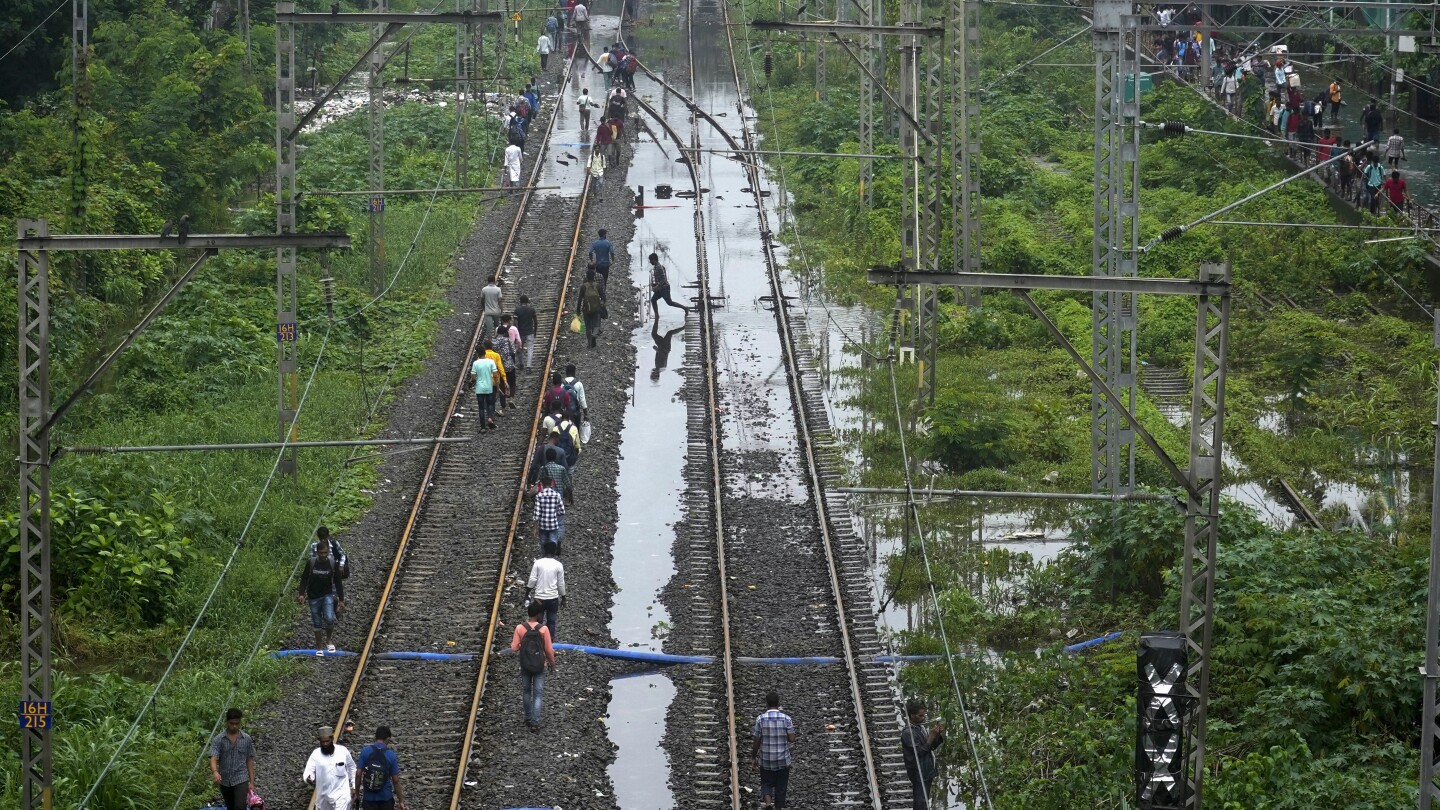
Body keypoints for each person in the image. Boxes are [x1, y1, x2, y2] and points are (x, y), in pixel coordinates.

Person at [511, 601, 557, 729]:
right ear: (538, 615)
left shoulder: (520, 628)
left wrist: (522, 646)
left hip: (525, 664)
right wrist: (552, 663)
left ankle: (527, 717)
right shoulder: (543, 629)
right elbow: (548, 649)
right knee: (538, 693)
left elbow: (514, 648)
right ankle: (535, 722)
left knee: (526, 691)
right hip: (539, 665)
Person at [298, 537, 345, 653]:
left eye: (325, 553)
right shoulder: (312, 563)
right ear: (317, 552)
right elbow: (304, 578)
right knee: (317, 622)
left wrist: (341, 599)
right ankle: (319, 647)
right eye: (321, 553)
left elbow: (338, 582)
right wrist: (301, 593)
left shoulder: (332, 563)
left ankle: (329, 640)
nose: (323, 555)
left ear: (328, 552)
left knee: (329, 618)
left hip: (327, 595)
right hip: (313, 596)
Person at [751, 691, 796, 809]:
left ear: (766, 704)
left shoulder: (760, 719)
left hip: (766, 759)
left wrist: (753, 757)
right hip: (782, 760)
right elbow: (792, 739)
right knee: (781, 787)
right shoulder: (786, 718)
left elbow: (756, 740)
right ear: (778, 703)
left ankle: (768, 803)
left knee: (766, 783)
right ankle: (778, 807)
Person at [900, 699, 944, 810]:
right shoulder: (908, 733)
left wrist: (937, 735)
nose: (923, 718)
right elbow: (919, 752)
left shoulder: (920, 728)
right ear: (912, 716)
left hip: (926, 770)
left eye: (924, 715)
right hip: (918, 771)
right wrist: (931, 737)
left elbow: (931, 747)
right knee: (921, 801)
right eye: (920, 716)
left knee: (924, 799)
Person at [303, 725, 357, 810]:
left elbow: (352, 768)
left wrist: (354, 786)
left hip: (341, 795)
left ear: (332, 739)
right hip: (323, 796)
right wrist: (309, 778)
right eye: (322, 742)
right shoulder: (316, 754)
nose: (325, 744)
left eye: (327, 741)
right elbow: (308, 771)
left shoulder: (342, 751)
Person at [211, 708, 255, 810]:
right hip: (225, 780)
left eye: (237, 723)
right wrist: (215, 771)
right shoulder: (219, 739)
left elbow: (249, 760)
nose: (234, 726)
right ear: (226, 722)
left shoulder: (246, 739)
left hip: (241, 779)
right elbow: (214, 757)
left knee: (240, 806)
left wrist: (252, 781)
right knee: (230, 806)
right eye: (232, 723)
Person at [358, 727, 406, 810]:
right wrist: (401, 801)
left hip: (369, 799)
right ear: (388, 738)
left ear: (375, 737)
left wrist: (357, 793)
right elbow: (395, 780)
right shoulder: (391, 755)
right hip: (386, 798)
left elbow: (358, 774)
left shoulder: (365, 751)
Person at [526, 540, 567, 639]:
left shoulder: (538, 563)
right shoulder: (558, 565)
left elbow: (532, 579)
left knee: (537, 622)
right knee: (551, 622)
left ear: (544, 550)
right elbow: (561, 583)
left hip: (539, 599)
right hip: (553, 599)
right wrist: (564, 597)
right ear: (555, 551)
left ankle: (537, 641)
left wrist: (527, 593)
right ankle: (549, 642)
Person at [648, 252, 689, 319]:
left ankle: (685, 308)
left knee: (670, 303)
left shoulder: (659, 268)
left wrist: (657, 286)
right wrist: (654, 285)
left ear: (654, 260)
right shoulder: (656, 267)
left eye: (651, 260)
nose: (650, 262)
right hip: (660, 289)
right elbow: (658, 278)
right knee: (653, 300)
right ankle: (657, 315)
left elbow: (664, 279)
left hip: (664, 288)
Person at [533, 470, 566, 552]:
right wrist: (555, 514)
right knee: (553, 541)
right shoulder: (557, 495)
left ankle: (544, 556)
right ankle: (552, 556)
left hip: (543, 525)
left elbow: (536, 514)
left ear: (541, 484)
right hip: (553, 524)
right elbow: (562, 511)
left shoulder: (539, 496)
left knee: (543, 543)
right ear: (552, 483)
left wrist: (535, 528)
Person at [470, 348, 500, 430]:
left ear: (478, 354)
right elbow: (495, 375)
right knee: (490, 404)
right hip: (489, 387)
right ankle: (490, 418)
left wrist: (475, 380)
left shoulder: (475, 363)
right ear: (485, 354)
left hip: (479, 388)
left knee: (481, 407)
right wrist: (497, 386)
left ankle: (483, 427)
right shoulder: (490, 362)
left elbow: (473, 377)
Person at [493, 323, 519, 411]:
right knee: (512, 382)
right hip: (510, 365)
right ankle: (511, 398)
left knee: (501, 386)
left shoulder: (494, 341)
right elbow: (513, 351)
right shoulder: (508, 340)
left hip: (499, 367)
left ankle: (503, 406)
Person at [482, 338, 511, 416]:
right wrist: (505, 380)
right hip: (494, 381)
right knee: (493, 396)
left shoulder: (482, 355)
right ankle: (491, 415)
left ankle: (488, 413)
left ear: (484, 347)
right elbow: (501, 368)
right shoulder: (496, 355)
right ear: (492, 347)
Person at [578, 269, 605, 348]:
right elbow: (603, 297)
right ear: (594, 276)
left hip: (586, 309)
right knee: (596, 325)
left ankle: (589, 343)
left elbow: (580, 299)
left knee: (588, 326)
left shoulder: (583, 286)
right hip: (596, 309)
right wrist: (602, 303)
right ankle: (594, 336)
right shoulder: (597, 286)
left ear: (587, 276)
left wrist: (578, 310)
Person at [515, 295, 537, 371]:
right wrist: (535, 331)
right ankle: (529, 366)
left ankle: (521, 364)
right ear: (527, 301)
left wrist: (516, 333)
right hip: (530, 332)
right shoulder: (532, 310)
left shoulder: (517, 310)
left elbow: (515, 322)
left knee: (519, 348)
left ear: (520, 301)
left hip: (520, 333)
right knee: (530, 349)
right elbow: (535, 321)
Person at [588, 228, 613, 293]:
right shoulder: (608, 243)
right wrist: (612, 260)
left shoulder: (595, 243)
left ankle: (598, 291)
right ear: (604, 235)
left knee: (598, 278)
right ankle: (603, 293)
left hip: (598, 264)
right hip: (606, 264)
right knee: (604, 279)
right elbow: (612, 252)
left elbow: (590, 252)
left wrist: (591, 259)